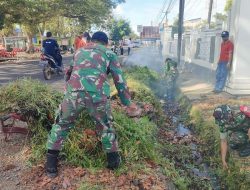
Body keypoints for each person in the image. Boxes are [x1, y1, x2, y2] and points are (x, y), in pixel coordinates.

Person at [45, 31, 140, 178]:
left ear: (92, 40)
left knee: (61, 125)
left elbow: (68, 74)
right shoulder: (109, 54)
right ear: (105, 42)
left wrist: (69, 89)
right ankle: (113, 163)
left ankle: (50, 167)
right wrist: (128, 103)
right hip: (97, 96)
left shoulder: (78, 52)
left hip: (73, 95)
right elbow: (119, 81)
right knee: (105, 126)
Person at [213, 105, 250, 169]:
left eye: (225, 121)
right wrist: (223, 160)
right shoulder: (222, 125)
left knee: (239, 138)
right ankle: (242, 147)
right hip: (242, 131)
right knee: (234, 140)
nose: (224, 124)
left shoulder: (242, 114)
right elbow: (223, 141)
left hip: (246, 130)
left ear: (229, 114)